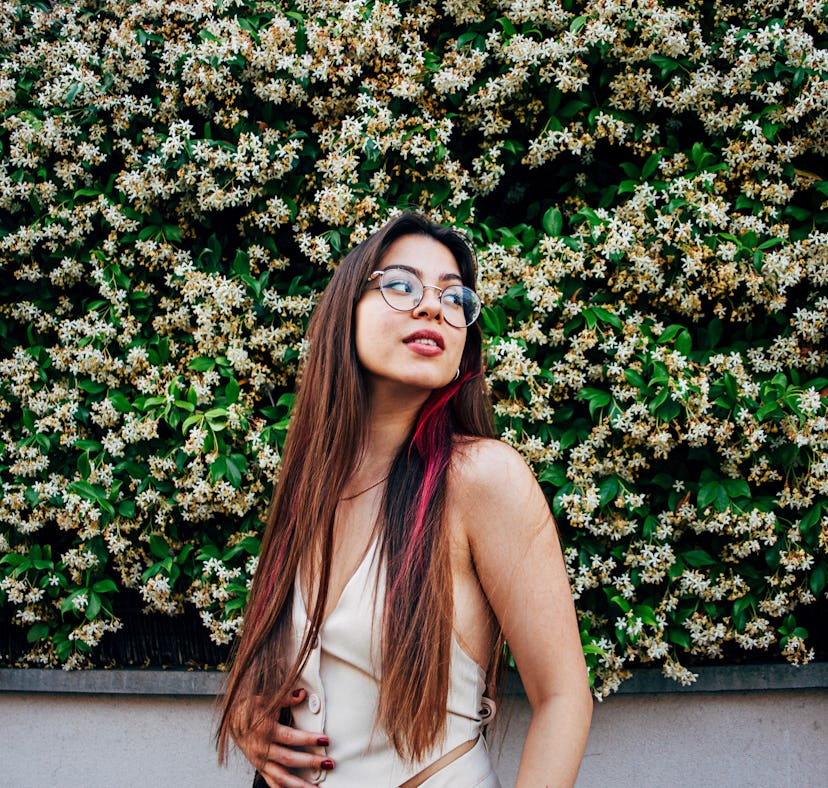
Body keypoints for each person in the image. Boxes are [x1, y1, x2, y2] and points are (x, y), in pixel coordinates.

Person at [217, 212, 592, 787]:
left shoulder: (481, 478)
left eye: (454, 297)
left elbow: (564, 697)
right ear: (346, 312)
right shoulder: (309, 487)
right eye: (400, 284)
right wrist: (249, 713)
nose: (431, 307)